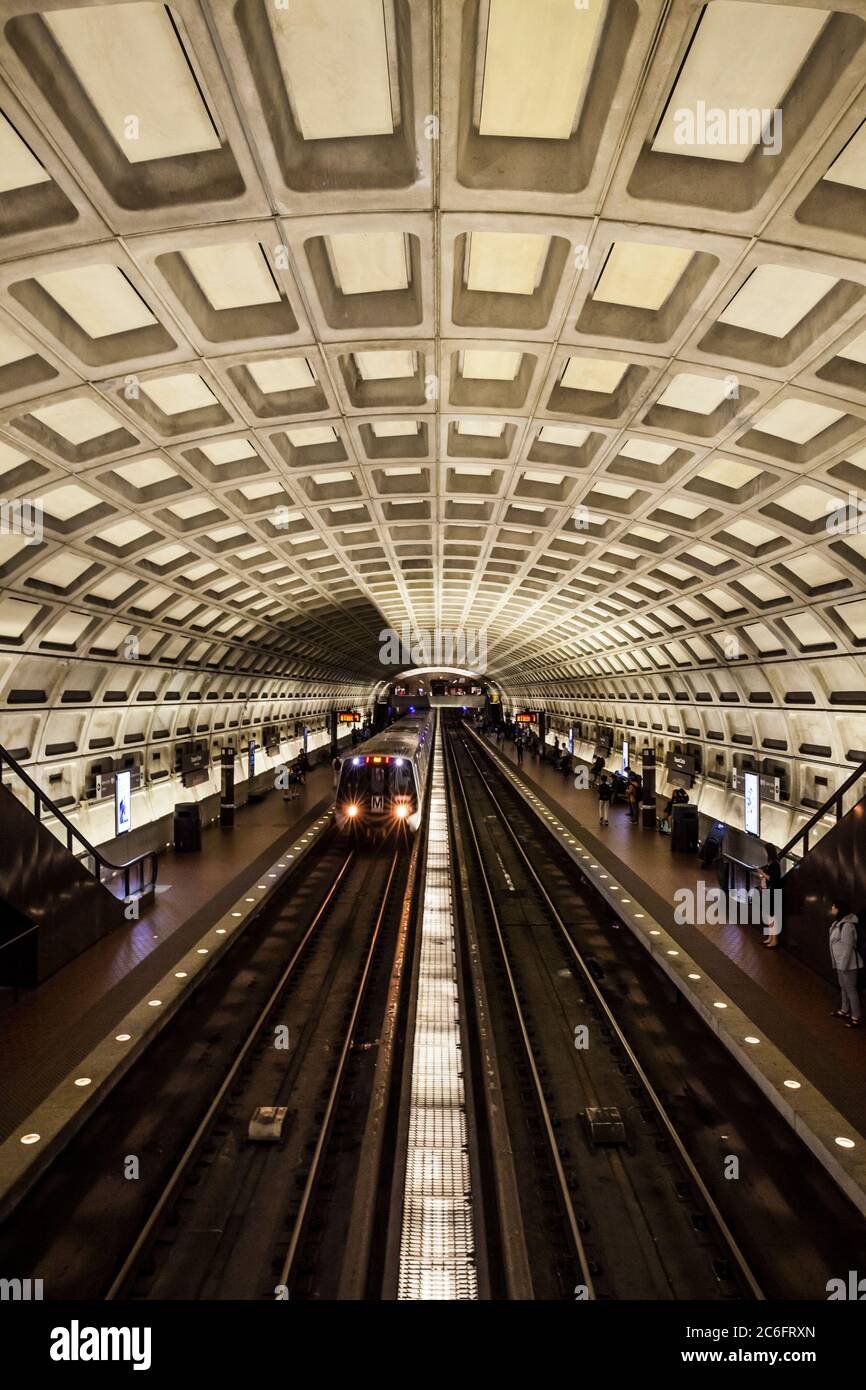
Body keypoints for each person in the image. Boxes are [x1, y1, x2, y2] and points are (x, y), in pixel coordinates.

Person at [829, 901, 862, 1027]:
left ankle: (856, 1017)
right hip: (840, 962)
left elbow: (848, 948)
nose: (832, 908)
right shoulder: (838, 923)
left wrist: (843, 965)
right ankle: (844, 1010)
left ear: (839, 909)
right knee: (843, 987)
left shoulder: (847, 926)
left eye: (833, 906)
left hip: (848, 964)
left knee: (851, 989)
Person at [757, 843, 782, 948]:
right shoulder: (771, 863)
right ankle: (770, 938)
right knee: (769, 916)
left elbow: (773, 878)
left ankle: (774, 940)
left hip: (773, 893)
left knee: (772, 917)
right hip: (769, 892)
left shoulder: (775, 864)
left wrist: (762, 873)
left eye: (765, 850)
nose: (764, 852)